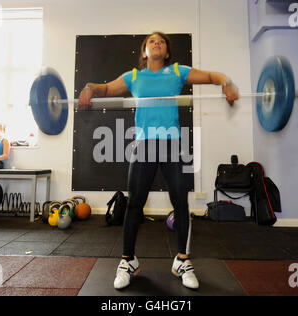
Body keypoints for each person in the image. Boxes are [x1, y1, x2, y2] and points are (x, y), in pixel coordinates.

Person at [78, 32, 239, 290]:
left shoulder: (177, 71)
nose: (156, 43)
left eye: (161, 42)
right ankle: (128, 261)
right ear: (144, 52)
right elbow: (105, 88)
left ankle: (182, 261)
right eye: (151, 41)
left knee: (181, 203)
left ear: (166, 53)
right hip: (143, 145)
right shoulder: (134, 76)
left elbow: (211, 77)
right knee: (134, 204)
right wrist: (89, 88)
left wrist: (227, 82)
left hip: (172, 145)